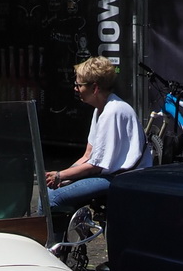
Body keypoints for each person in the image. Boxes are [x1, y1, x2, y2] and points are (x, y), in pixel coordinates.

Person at [44, 57, 151, 230]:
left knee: (52, 198)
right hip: (107, 173)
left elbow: (95, 165)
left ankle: (53, 248)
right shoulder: (99, 110)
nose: (76, 88)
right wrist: (60, 177)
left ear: (94, 87)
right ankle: (67, 240)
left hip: (122, 177)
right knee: (50, 191)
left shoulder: (113, 111)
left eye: (79, 85)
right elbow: (88, 154)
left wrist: (61, 175)